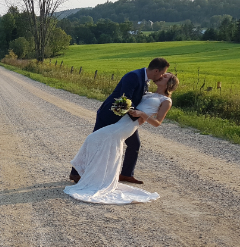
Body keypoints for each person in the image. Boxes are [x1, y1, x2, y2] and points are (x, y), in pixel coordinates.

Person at [64, 73, 179, 204]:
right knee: (99, 142)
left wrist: (141, 114)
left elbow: (157, 122)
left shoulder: (166, 101)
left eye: (165, 77)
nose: (161, 76)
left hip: (130, 125)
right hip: (123, 120)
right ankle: (91, 173)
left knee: (94, 138)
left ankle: (94, 175)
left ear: (169, 83)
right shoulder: (149, 92)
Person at [69, 58, 170, 185]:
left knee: (134, 145)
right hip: (109, 115)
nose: (162, 76)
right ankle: (75, 173)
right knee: (96, 140)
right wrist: (138, 116)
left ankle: (126, 174)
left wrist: (140, 117)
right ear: (156, 70)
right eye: (162, 73)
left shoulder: (145, 81)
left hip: (126, 119)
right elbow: (126, 98)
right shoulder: (134, 76)